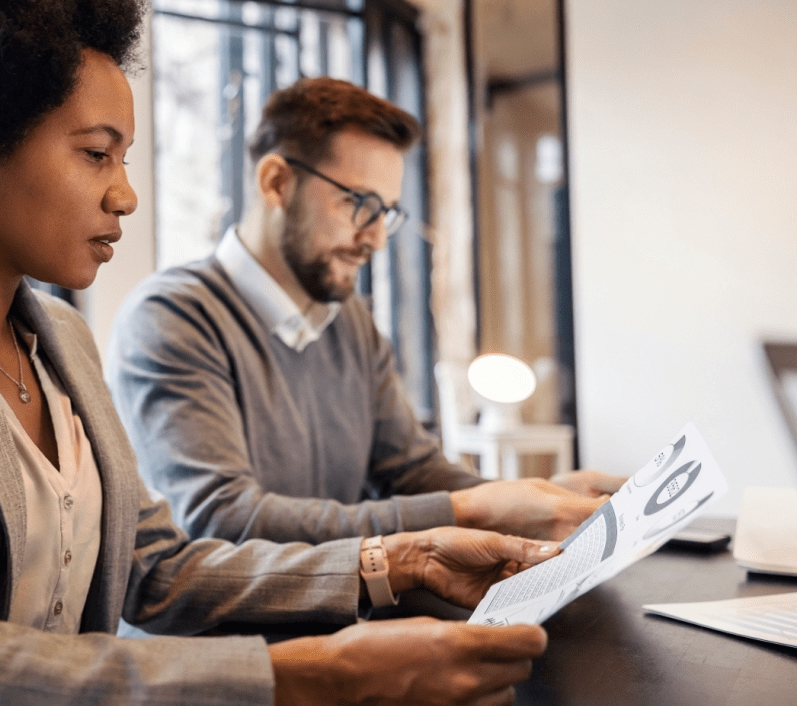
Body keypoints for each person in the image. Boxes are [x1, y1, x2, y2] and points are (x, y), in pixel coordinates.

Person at [0, 0, 558, 704]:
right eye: (97, 154)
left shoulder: (62, 338)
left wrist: (400, 558)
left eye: (128, 157)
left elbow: (156, 569)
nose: (127, 196)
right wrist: (303, 675)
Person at [107, 77, 620, 551]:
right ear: (276, 183)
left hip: (344, 616)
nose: (374, 237)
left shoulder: (349, 320)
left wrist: (540, 497)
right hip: (229, 645)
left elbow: (415, 473)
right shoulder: (171, 319)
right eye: (360, 204)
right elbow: (223, 520)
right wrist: (470, 511)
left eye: (387, 213)